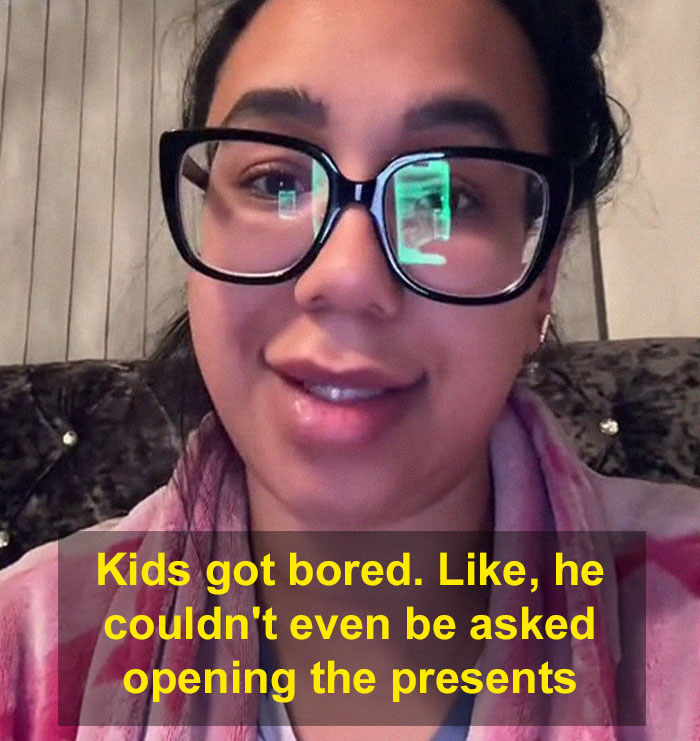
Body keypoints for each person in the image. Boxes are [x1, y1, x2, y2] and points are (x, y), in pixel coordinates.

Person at [1, 0, 699, 738]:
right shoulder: (26, 650)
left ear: (543, 280)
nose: (348, 276)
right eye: (275, 182)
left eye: (447, 196)